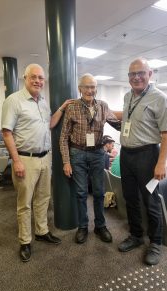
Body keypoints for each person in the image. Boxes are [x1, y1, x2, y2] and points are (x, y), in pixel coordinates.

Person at [1, 63, 73, 262]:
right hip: (25, 159)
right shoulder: (13, 100)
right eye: (33, 77)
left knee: (43, 198)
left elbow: (49, 124)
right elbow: (6, 133)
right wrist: (16, 161)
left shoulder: (42, 101)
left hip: (45, 157)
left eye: (41, 78)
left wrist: (61, 108)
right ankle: (25, 241)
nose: (38, 81)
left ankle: (42, 232)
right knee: (24, 203)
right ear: (25, 78)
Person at [59, 73, 121, 244]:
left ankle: (100, 226)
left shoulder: (103, 106)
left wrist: (136, 119)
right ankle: (83, 226)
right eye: (87, 86)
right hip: (77, 154)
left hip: (97, 153)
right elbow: (63, 137)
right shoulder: (72, 107)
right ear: (80, 89)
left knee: (99, 193)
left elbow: (117, 124)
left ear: (96, 89)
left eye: (93, 87)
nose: (90, 90)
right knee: (81, 193)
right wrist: (66, 161)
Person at [118, 58, 167, 265]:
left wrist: (161, 163)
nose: (136, 77)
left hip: (148, 155)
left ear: (150, 74)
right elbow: (128, 119)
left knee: (151, 200)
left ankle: (156, 242)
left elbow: (166, 134)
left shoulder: (160, 98)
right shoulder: (128, 95)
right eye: (131, 74)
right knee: (130, 198)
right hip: (126, 155)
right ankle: (136, 235)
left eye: (140, 73)